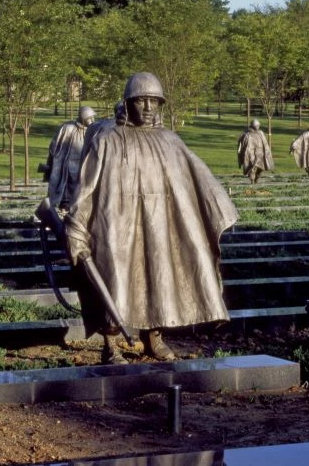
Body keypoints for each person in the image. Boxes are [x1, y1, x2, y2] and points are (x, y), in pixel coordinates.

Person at [64, 72, 239, 364]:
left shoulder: (170, 141)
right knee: (116, 279)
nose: (147, 107)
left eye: (153, 101)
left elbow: (197, 182)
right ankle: (111, 344)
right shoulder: (109, 140)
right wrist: (76, 227)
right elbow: (87, 188)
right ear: (128, 102)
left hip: (159, 224)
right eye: (141, 100)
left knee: (158, 277)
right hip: (117, 225)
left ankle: (154, 338)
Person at [44, 106, 95, 212]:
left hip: (84, 162)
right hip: (70, 162)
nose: (92, 120)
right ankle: (65, 203)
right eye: (89, 118)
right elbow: (55, 144)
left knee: (82, 184)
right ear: (83, 118)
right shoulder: (69, 128)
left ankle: (79, 205)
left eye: (92, 117)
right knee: (68, 184)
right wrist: (54, 158)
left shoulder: (92, 130)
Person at [237, 119, 274, 184]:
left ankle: (256, 178)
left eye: (258, 125)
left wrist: (267, 152)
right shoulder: (247, 134)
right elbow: (242, 145)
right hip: (250, 154)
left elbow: (265, 144)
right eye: (256, 125)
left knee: (260, 168)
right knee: (251, 168)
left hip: (260, 154)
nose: (257, 127)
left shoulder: (261, 133)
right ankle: (252, 180)